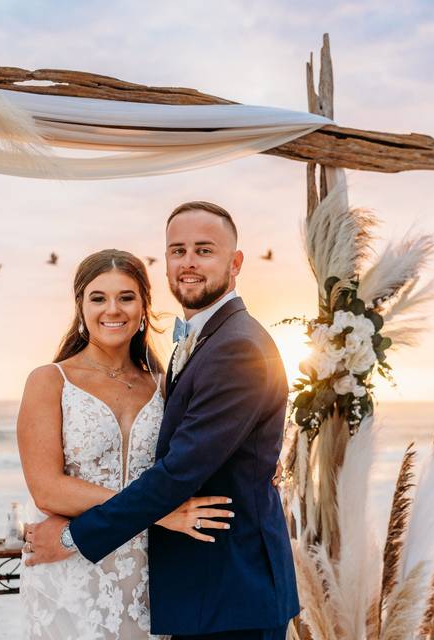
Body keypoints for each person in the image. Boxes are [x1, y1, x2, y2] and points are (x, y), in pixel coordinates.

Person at [25, 203, 300, 640]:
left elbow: (178, 472)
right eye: (178, 251)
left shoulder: (238, 347)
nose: (188, 262)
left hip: (229, 588)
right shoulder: (196, 345)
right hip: (183, 588)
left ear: (236, 262)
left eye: (204, 250)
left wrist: (73, 538)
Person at [17, 249, 234, 639]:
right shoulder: (49, 381)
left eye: (126, 297)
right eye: (98, 298)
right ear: (80, 307)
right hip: (71, 570)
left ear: (143, 307)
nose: (112, 310)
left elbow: (194, 460)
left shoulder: (167, 385)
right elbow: (47, 489)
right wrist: (160, 513)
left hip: (150, 573)